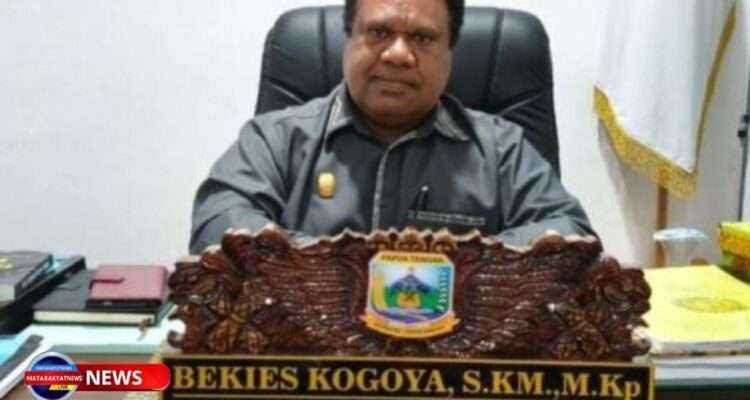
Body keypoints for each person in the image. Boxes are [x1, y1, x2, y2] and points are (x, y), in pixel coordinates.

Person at [189, 0, 595, 254]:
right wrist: (338, 268)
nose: (398, 54)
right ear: (347, 40)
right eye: (379, 32)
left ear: (450, 53)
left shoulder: (501, 149)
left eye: (422, 38)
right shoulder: (276, 139)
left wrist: (458, 268)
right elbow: (217, 222)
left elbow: (570, 234)